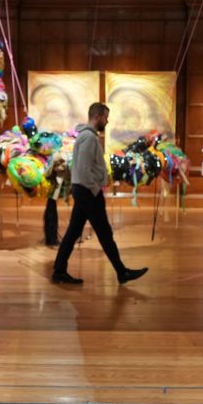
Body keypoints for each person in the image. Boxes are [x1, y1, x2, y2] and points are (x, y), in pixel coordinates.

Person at [52, 102, 148, 285]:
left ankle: (59, 270)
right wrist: (96, 189)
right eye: (105, 117)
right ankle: (122, 272)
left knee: (73, 232)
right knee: (104, 232)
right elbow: (83, 169)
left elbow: (81, 168)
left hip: (83, 190)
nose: (107, 120)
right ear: (97, 117)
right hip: (88, 191)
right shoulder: (88, 138)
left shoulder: (85, 136)